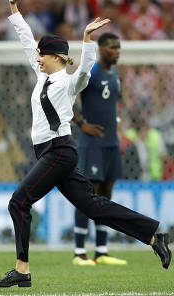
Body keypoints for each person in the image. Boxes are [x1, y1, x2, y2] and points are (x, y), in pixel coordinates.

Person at [0, 0, 171, 289]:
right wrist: (15, 12)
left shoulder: (68, 82)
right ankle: (155, 235)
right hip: (53, 153)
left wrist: (87, 40)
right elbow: (25, 42)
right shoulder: (43, 77)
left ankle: (22, 270)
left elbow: (86, 71)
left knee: (18, 202)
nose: (36, 57)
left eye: (41, 54)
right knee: (94, 207)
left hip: (59, 152)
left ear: (56, 57)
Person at [71, 32, 126, 266]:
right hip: (92, 144)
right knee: (88, 196)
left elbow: (112, 105)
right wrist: (83, 124)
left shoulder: (115, 75)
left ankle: (101, 251)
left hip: (111, 144)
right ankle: (79, 252)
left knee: (106, 195)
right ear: (101, 49)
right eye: (112, 47)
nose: (117, 51)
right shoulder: (90, 72)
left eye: (118, 47)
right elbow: (68, 99)